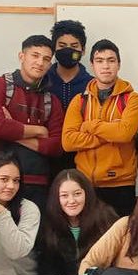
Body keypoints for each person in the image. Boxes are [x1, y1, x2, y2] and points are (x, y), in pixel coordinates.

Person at [0, 35, 64, 213]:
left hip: (38, 184)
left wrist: (12, 128)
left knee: (35, 240)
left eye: (46, 59)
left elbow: (56, 146)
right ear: (22, 56)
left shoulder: (52, 101)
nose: (40, 62)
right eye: (35, 55)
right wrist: (39, 130)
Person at [62, 39, 138, 217]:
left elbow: (124, 134)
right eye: (100, 61)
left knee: (120, 241)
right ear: (92, 65)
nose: (105, 66)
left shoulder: (133, 99)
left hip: (121, 185)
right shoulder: (79, 101)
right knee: (88, 242)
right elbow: (68, 142)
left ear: (119, 64)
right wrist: (110, 131)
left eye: (111, 60)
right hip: (84, 185)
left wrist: (89, 126)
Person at [35, 169, 117, 275]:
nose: (71, 201)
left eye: (77, 194)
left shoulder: (105, 217)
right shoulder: (49, 223)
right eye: (64, 195)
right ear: (56, 198)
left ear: (86, 193)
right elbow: (47, 267)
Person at [47, 20, 93, 174]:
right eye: (62, 46)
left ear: (83, 50)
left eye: (74, 47)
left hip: (83, 160)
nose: (67, 50)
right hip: (46, 159)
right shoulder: (41, 81)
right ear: (54, 49)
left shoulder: (93, 85)